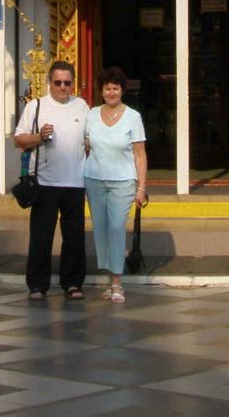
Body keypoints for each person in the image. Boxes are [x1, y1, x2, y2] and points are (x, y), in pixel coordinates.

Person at [13, 61, 89, 301]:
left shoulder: (82, 106)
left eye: (67, 83)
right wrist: (39, 136)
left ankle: (73, 283)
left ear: (73, 83)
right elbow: (19, 140)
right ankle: (37, 285)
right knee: (41, 238)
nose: (62, 87)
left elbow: (90, 139)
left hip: (75, 182)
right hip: (45, 183)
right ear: (49, 82)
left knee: (74, 237)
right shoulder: (36, 106)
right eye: (58, 82)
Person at [84, 66, 148, 303]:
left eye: (115, 88)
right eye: (107, 88)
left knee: (116, 228)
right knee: (101, 229)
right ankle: (113, 269)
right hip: (94, 179)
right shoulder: (91, 115)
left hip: (123, 181)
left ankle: (117, 283)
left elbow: (140, 154)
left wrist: (142, 187)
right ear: (101, 91)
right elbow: (85, 145)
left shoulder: (133, 117)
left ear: (122, 90)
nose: (111, 93)